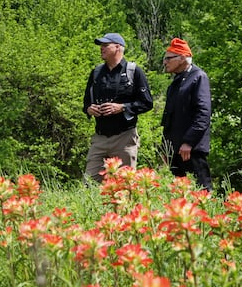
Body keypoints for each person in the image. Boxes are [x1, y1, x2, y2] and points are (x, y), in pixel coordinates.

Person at [83, 33, 153, 182]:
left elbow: (147, 103)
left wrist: (122, 107)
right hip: (100, 138)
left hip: (125, 138)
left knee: (125, 185)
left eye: (105, 45)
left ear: (118, 47)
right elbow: (86, 103)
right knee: (89, 182)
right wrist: (90, 109)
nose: (101, 48)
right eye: (101, 46)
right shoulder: (96, 73)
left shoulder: (133, 71)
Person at [161, 37, 213, 190]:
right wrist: (165, 148)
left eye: (168, 58)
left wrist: (188, 142)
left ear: (182, 58)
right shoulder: (176, 82)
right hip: (175, 150)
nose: (165, 62)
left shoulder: (198, 77)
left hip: (191, 149)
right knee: (179, 195)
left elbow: (203, 113)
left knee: (202, 192)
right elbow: (169, 118)